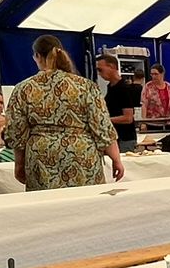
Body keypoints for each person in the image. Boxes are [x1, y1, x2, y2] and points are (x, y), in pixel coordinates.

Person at [7, 37, 122, 189]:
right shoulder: (86, 86)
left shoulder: (23, 88)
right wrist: (116, 159)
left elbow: (16, 130)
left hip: (41, 157)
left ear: (37, 56)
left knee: (48, 202)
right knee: (87, 201)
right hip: (82, 154)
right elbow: (102, 126)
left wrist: (19, 163)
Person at [96, 54, 142, 149]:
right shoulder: (110, 87)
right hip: (114, 137)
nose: (99, 74)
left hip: (124, 139)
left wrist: (105, 120)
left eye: (100, 70)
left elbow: (128, 118)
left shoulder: (123, 88)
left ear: (111, 67)